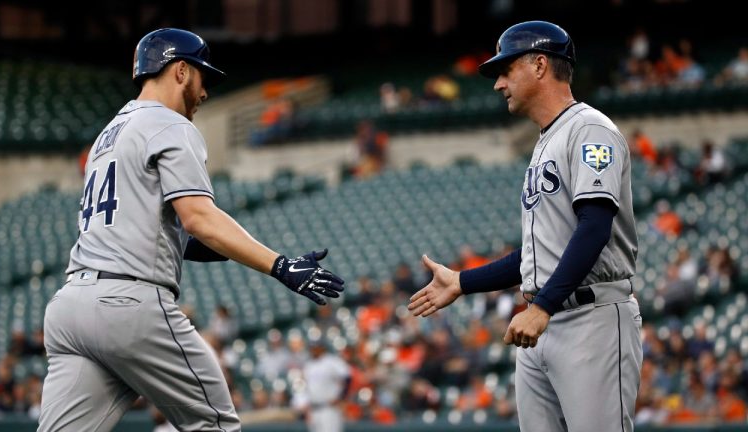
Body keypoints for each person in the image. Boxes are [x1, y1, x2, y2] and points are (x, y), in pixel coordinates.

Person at [37, 28, 345, 432]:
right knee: (215, 425)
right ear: (180, 70)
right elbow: (198, 218)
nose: (204, 93)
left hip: (70, 309)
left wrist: (221, 246)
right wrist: (281, 265)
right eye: (203, 78)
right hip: (128, 306)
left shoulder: (107, 136)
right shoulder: (170, 124)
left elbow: (152, 225)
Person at [407, 21, 642, 432]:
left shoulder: (589, 129)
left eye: (505, 70)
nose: (498, 84)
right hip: (541, 322)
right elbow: (538, 254)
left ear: (538, 65)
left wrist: (543, 307)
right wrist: (463, 282)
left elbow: (594, 227)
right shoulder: (545, 141)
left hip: (590, 318)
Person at [300, 340, 351, 432]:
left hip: (329, 409)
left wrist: (341, 397)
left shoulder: (331, 361)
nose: (314, 350)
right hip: (313, 408)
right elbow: (307, 388)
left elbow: (347, 378)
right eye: (312, 347)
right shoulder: (308, 364)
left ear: (322, 348)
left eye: (316, 347)